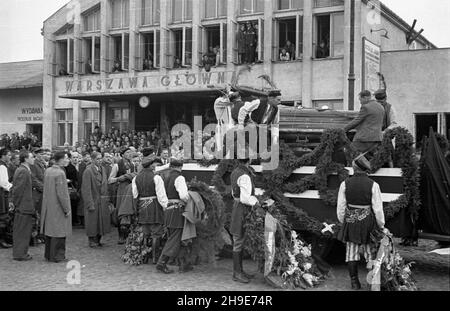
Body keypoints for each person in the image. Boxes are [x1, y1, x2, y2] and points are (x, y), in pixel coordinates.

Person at [336, 155, 386, 290]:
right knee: (370, 252)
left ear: (355, 168)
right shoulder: (374, 185)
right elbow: (378, 209)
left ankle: (354, 282)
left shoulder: (344, 184)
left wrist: (343, 221)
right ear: (365, 169)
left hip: (350, 221)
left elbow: (341, 207)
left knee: (351, 251)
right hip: (367, 221)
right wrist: (381, 225)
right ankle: (371, 283)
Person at [132, 148, 168, 264]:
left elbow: (135, 194)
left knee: (146, 232)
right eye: (154, 164)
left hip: (142, 205)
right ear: (151, 165)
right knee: (156, 232)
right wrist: (165, 207)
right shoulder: (156, 177)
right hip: (154, 205)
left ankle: (145, 256)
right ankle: (155, 258)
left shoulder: (135, 178)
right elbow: (161, 196)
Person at [156, 159, 191, 274]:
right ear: (181, 167)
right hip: (177, 210)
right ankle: (162, 263)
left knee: (176, 236)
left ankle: (183, 264)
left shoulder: (164, 177)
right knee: (175, 238)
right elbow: (183, 195)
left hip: (168, 209)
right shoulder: (179, 178)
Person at [40, 151, 72, 263]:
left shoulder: (48, 171)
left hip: (49, 205)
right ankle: (58, 255)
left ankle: (49, 254)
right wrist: (67, 209)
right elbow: (62, 194)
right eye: (67, 158)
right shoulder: (60, 173)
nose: (68, 160)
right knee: (59, 231)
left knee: (50, 231)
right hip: (58, 207)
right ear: (61, 159)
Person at [81, 152, 111, 248]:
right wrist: (89, 203)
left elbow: (105, 186)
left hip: (102, 201)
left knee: (101, 222)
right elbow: (86, 189)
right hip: (93, 200)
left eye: (100, 158)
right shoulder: (88, 171)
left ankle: (98, 239)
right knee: (92, 222)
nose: (99, 160)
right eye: (97, 159)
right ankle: (92, 240)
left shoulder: (103, 169)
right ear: (92, 160)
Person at [109, 148, 138, 244]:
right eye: (127, 153)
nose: (129, 154)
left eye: (130, 152)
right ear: (122, 155)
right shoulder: (117, 166)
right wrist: (119, 178)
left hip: (131, 189)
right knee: (121, 211)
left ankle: (129, 235)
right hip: (121, 190)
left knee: (130, 211)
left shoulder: (133, 165)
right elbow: (110, 180)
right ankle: (121, 236)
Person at [344, 90, 385, 155]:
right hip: (377, 137)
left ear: (365, 97)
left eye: (360, 100)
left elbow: (357, 121)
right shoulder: (381, 107)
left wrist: (343, 129)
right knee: (371, 158)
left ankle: (352, 165)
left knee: (349, 152)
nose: (360, 102)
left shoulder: (366, 107)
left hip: (365, 138)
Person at [12, 151, 35, 261]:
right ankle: (20, 253)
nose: (33, 159)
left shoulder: (25, 170)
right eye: (31, 157)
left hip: (24, 205)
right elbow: (18, 190)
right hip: (23, 206)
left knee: (24, 230)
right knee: (22, 230)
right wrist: (16, 204)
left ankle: (21, 252)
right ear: (25, 159)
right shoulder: (23, 171)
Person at [30, 148, 47, 245]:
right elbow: (34, 179)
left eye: (43, 153)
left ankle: (41, 234)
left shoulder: (42, 164)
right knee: (37, 215)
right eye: (40, 154)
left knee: (42, 214)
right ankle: (35, 237)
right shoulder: (34, 164)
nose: (42, 155)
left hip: (42, 193)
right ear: (35, 154)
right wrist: (43, 188)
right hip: (37, 193)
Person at [0, 149, 13, 249]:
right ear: (3, 156)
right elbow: (3, 182)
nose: (10, 157)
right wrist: (11, 186)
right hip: (2, 194)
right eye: (8, 155)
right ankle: (2, 240)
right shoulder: (2, 166)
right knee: (3, 217)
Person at [65, 152, 79, 226]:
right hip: (71, 188)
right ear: (70, 159)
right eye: (74, 157)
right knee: (72, 204)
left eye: (77, 157)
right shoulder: (68, 167)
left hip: (78, 188)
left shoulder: (80, 166)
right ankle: (72, 220)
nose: (75, 159)